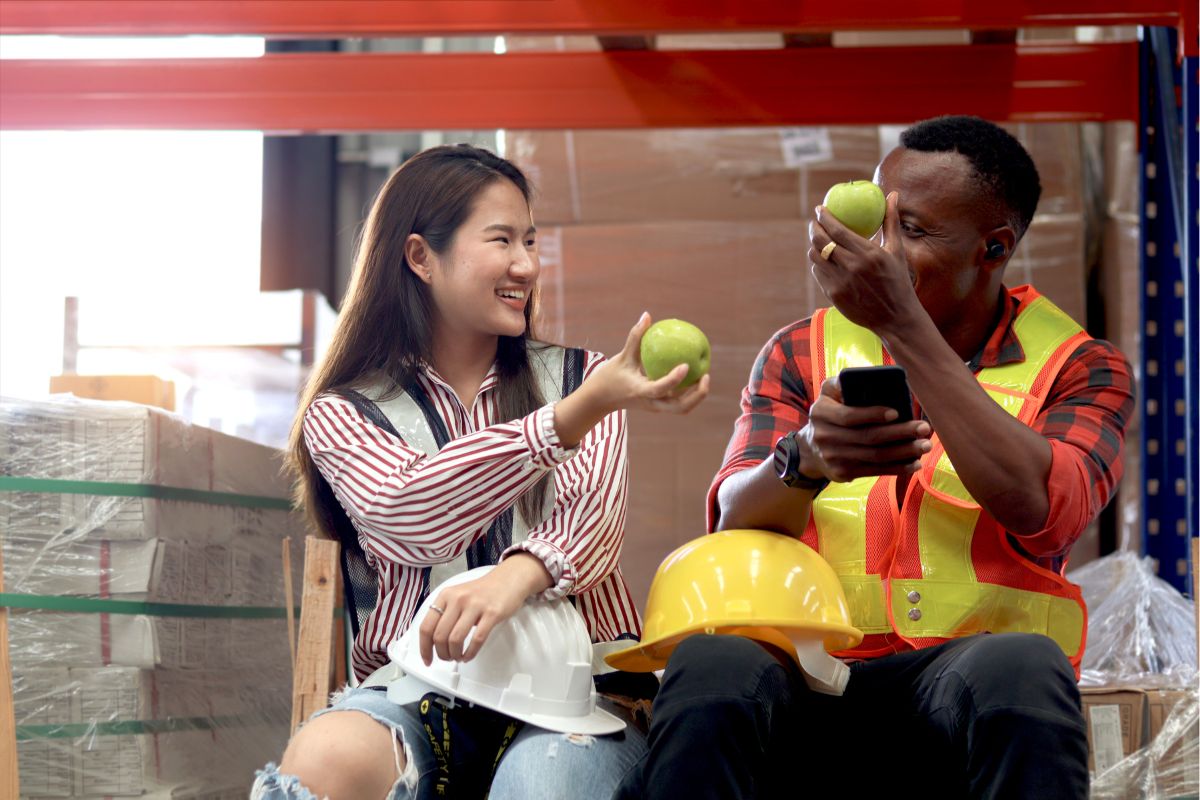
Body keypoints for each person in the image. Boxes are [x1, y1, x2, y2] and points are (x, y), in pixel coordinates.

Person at [614, 116, 1133, 799]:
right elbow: (732, 519)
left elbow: (1043, 509)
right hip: (810, 677)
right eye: (879, 220)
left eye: (912, 232)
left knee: (1025, 668)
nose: (879, 250)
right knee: (711, 665)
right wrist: (805, 458)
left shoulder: (1082, 367)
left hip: (962, 692)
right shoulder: (799, 350)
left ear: (994, 248)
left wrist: (900, 322)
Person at [252, 144, 708, 800]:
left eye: (530, 240)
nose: (525, 264)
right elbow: (410, 514)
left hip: (576, 695)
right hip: (416, 688)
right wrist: (563, 423)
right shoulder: (346, 411)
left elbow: (593, 522)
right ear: (419, 257)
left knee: (541, 783)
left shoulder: (587, 378)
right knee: (321, 762)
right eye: (501, 240)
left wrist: (514, 579)